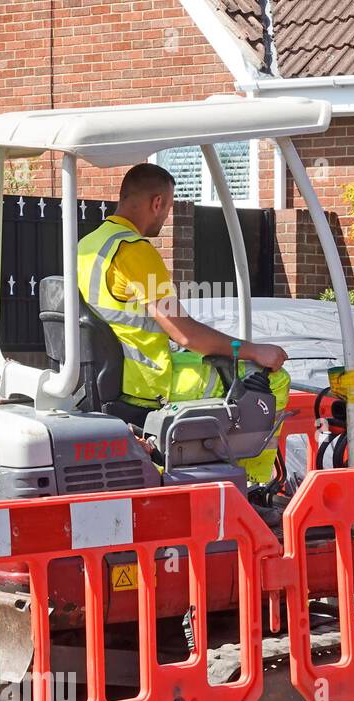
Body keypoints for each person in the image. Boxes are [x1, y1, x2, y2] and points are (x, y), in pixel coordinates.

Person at [76, 163, 289, 484]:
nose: (166, 217)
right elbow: (183, 332)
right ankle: (255, 488)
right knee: (272, 379)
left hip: (111, 377)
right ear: (157, 202)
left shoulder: (89, 245)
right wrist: (253, 350)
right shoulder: (135, 251)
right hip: (149, 383)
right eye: (169, 207)